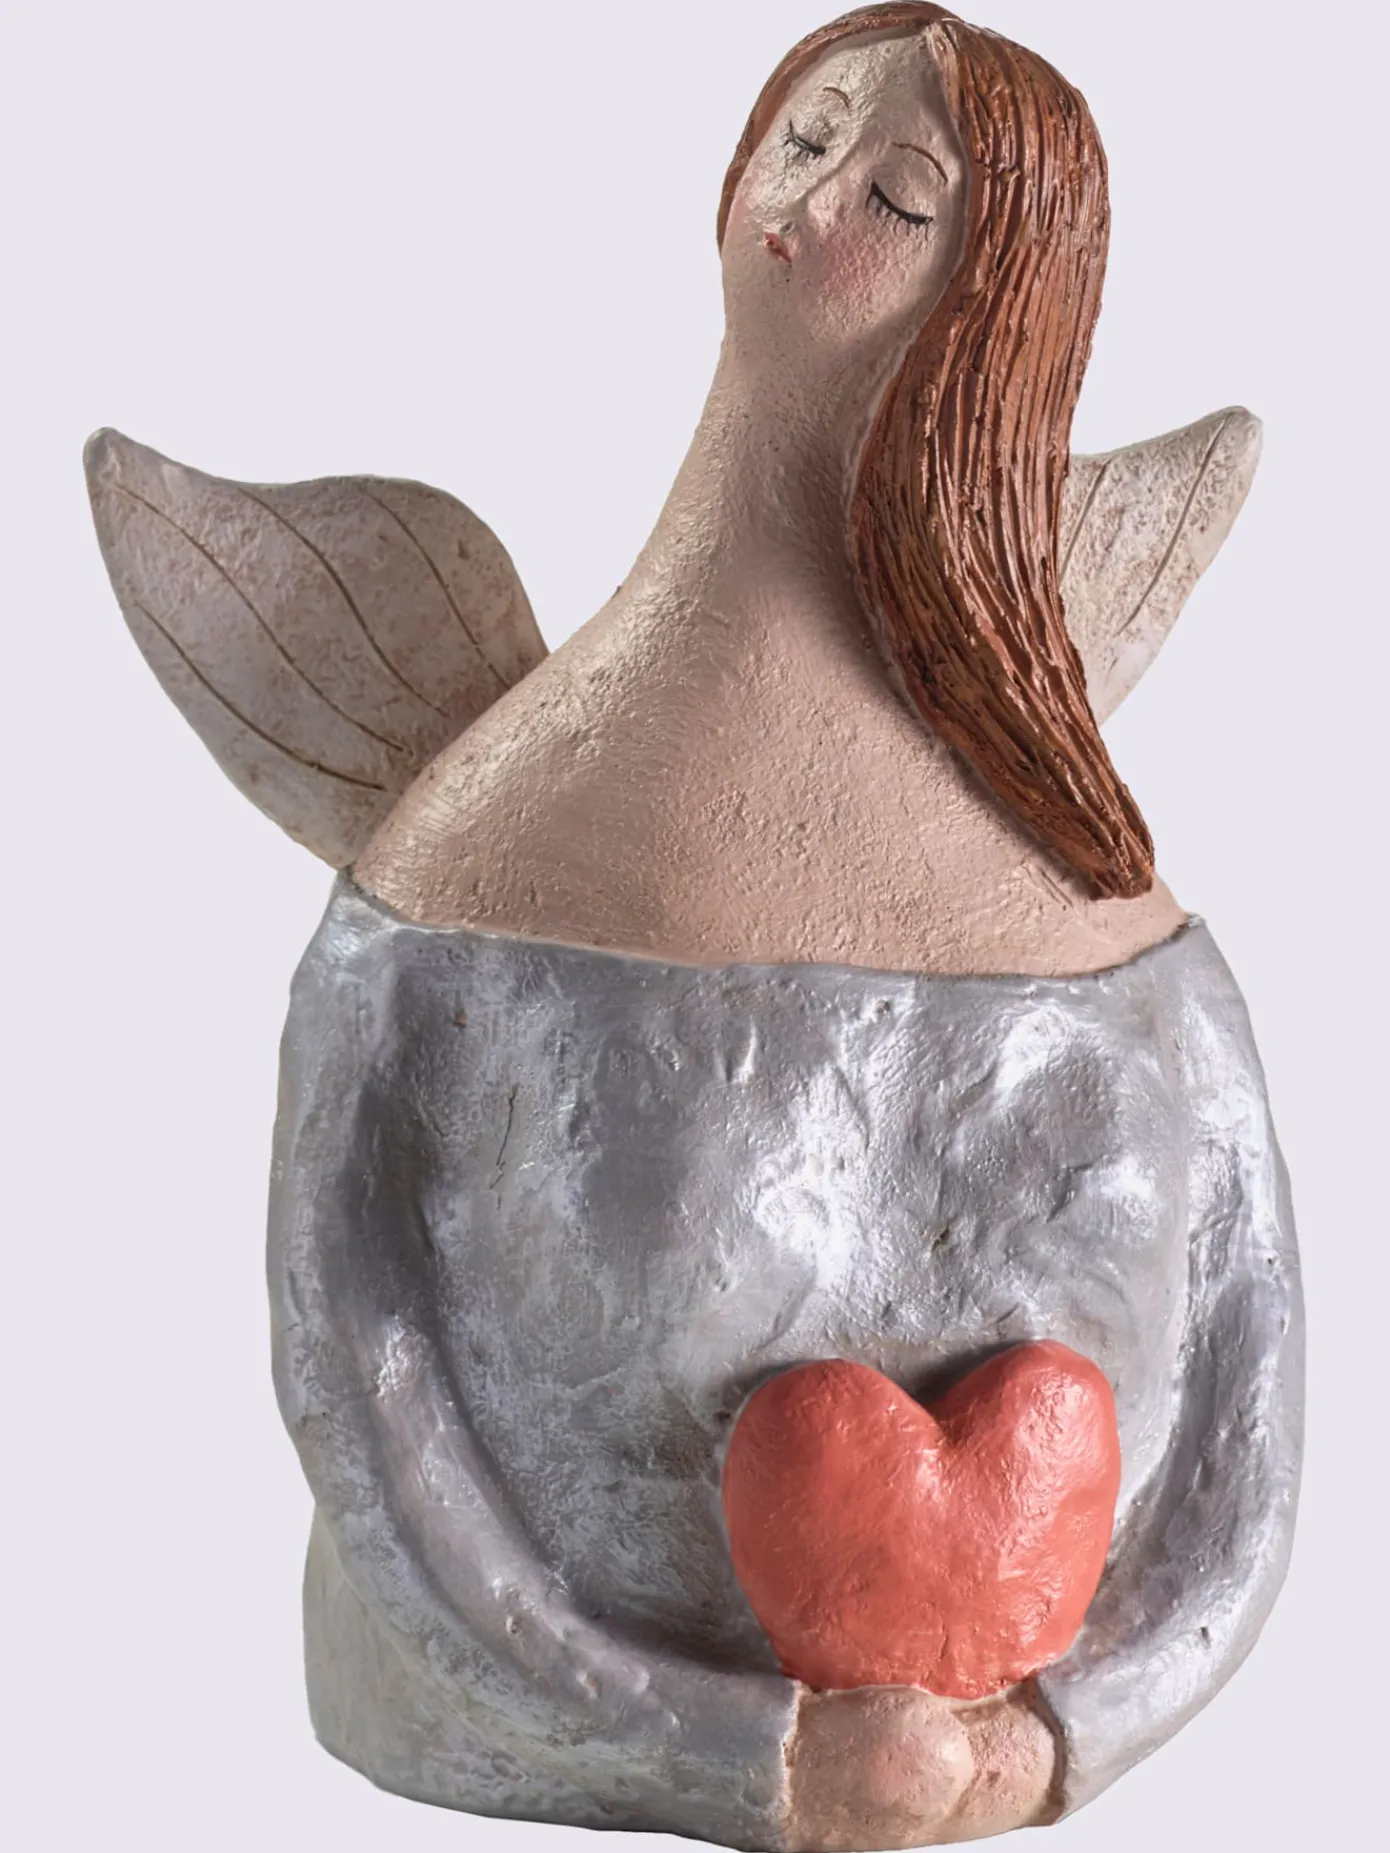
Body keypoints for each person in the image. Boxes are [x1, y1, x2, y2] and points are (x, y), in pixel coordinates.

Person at [267, 7, 1302, 1847]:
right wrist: (718, 1751)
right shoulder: (465, 881)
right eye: (802, 142)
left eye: (899, 197)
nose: (811, 208)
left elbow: (1248, 1398)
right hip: (490, 1744)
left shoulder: (1129, 945)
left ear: (998, 311)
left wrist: (1066, 1730)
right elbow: (356, 1360)